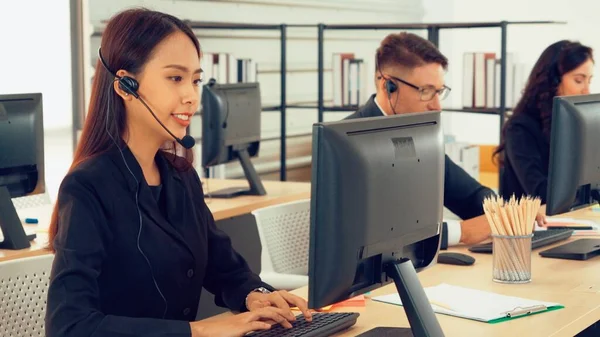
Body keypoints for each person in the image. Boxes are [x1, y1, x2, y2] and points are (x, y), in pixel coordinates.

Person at [45, 8, 311, 337]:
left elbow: (223, 267)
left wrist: (256, 295)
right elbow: (68, 326)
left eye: (196, 80)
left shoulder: (180, 176)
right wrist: (196, 332)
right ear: (126, 86)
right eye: (175, 78)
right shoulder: (88, 186)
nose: (191, 96)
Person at [346, 32, 545, 248]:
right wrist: (462, 232)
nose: (436, 106)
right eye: (426, 91)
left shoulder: (422, 133)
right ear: (388, 86)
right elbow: (374, 235)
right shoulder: (348, 143)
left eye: (439, 92)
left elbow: (470, 195)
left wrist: (510, 214)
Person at [494, 40, 594, 203]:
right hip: (530, 226)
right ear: (553, 81)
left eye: (589, 80)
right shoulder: (519, 128)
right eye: (578, 80)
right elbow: (542, 194)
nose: (587, 90)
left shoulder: (576, 126)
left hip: (570, 219)